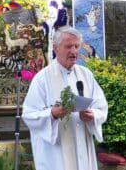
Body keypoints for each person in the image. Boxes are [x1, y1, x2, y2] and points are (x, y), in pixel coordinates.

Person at [22, 26, 108, 170]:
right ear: (56, 49)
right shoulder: (42, 79)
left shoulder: (86, 75)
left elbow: (101, 107)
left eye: (76, 46)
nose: (74, 51)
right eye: (68, 46)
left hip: (83, 147)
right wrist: (52, 114)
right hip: (56, 155)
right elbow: (29, 115)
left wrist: (92, 115)